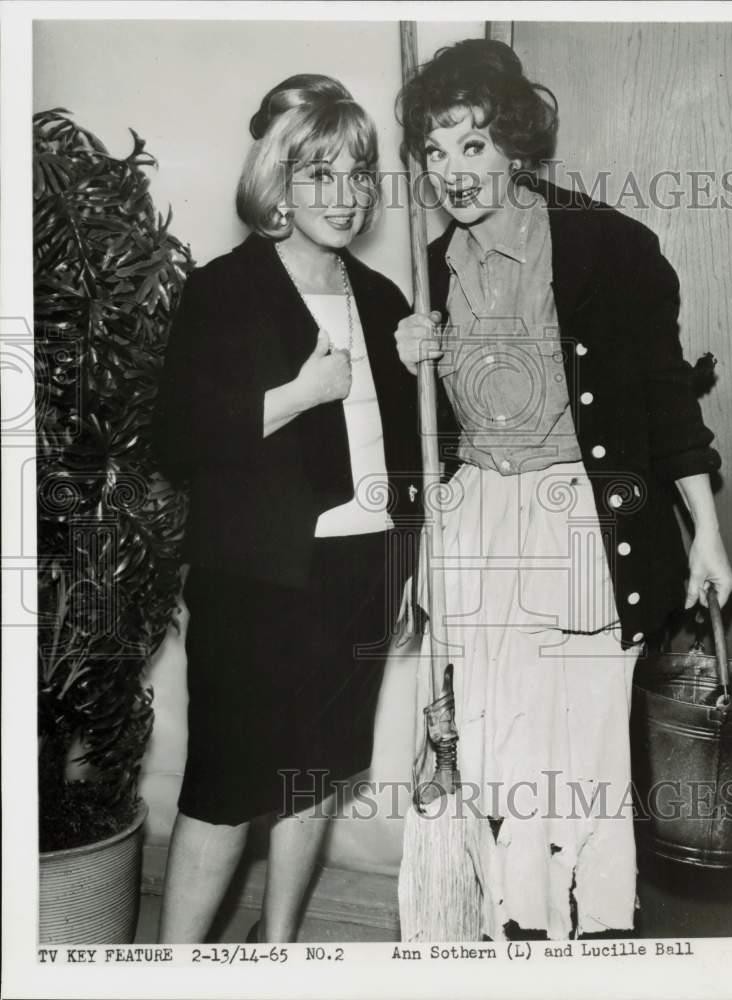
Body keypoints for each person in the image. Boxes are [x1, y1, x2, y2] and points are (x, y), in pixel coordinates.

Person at [394, 39, 732, 941]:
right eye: (434, 150)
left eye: (472, 145)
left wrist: (706, 533)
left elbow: (667, 402)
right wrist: (408, 367)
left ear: (514, 144)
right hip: (477, 533)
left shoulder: (607, 248)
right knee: (500, 769)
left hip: (582, 530)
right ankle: (517, 939)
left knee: (584, 771)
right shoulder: (429, 271)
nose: (453, 171)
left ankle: (594, 941)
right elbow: (427, 443)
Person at [152, 74, 421, 943]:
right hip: (259, 578)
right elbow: (176, 440)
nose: (343, 198)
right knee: (228, 790)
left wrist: (409, 560)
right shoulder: (225, 289)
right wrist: (299, 393)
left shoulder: (382, 301)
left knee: (316, 779)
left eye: (358, 175)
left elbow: (412, 451)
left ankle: (277, 958)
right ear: (279, 183)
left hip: (365, 568)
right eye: (320, 176)